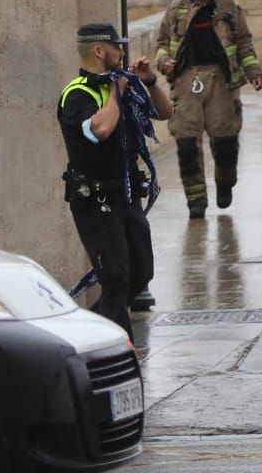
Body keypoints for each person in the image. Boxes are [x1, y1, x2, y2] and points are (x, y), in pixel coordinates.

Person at [59, 23, 172, 337]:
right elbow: (101, 130)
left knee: (140, 273)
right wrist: (115, 94)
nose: (123, 52)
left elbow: (164, 113)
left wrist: (149, 82)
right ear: (99, 51)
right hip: (96, 202)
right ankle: (117, 347)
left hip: (127, 195)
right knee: (116, 277)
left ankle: (85, 331)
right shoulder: (77, 95)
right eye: (117, 47)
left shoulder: (122, 85)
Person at [155, 0, 262, 219]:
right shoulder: (175, 11)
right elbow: (160, 45)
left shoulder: (229, 8)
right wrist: (164, 62)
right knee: (186, 144)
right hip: (185, 81)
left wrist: (254, 71)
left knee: (226, 141)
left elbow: (245, 44)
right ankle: (196, 200)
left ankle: (225, 183)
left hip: (221, 83)